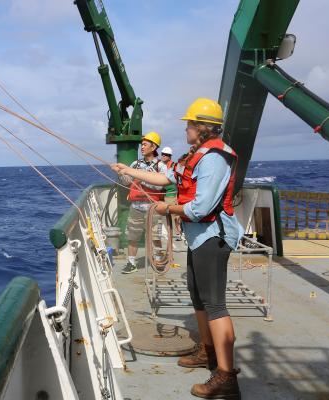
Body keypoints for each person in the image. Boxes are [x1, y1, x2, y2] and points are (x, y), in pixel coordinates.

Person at [111, 98, 244, 399]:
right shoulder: (194, 155)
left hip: (212, 237)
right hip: (199, 238)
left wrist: (166, 208)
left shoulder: (213, 159)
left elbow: (201, 207)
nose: (185, 128)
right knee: (198, 298)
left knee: (215, 305)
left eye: (189, 124)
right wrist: (130, 172)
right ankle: (208, 354)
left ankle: (226, 378)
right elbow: (165, 176)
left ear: (201, 127)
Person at [119, 131, 167, 274]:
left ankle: (158, 260)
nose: (142, 147)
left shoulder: (161, 166)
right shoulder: (135, 164)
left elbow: (160, 185)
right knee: (132, 236)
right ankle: (131, 263)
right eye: (142, 144)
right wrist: (123, 174)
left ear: (153, 147)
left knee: (155, 236)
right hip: (136, 207)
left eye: (145, 144)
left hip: (154, 207)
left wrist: (142, 178)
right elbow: (127, 183)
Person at [160, 147, 182, 238]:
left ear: (170, 156)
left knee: (175, 214)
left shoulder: (174, 166)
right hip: (164, 194)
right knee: (168, 215)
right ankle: (174, 232)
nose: (163, 156)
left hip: (172, 194)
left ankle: (178, 232)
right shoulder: (160, 166)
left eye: (166, 155)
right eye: (162, 154)